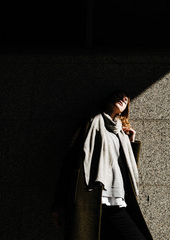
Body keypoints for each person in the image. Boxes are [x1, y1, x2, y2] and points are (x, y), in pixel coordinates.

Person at [51, 91, 153, 240]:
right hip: (93, 197)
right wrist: (58, 203)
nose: (122, 99)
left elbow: (127, 171)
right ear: (108, 99)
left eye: (126, 100)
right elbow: (70, 162)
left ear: (125, 109)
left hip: (117, 200)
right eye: (119, 96)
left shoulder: (121, 134)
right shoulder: (91, 123)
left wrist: (130, 143)